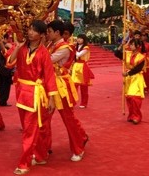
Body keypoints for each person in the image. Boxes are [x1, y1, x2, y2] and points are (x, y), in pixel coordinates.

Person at [8, 20, 58, 175]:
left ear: (42, 35)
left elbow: (49, 76)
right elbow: (9, 63)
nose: (30, 32)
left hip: (37, 95)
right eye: (29, 29)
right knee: (32, 127)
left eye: (34, 30)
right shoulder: (22, 48)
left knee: (29, 130)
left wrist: (51, 98)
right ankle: (41, 155)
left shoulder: (44, 53)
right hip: (22, 93)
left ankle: (24, 163)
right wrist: (17, 46)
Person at [46, 20, 88, 162]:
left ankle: (78, 147)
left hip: (62, 85)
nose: (47, 34)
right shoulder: (51, 44)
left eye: (49, 31)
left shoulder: (65, 47)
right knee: (45, 118)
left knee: (68, 119)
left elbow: (46, 60)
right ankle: (44, 147)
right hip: (50, 84)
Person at [114, 39, 146, 124]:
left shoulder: (141, 57)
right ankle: (131, 115)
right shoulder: (127, 54)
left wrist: (128, 73)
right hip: (128, 78)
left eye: (132, 44)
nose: (130, 46)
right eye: (130, 44)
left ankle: (137, 116)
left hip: (136, 77)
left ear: (138, 46)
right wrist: (122, 44)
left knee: (134, 97)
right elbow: (116, 53)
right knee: (128, 98)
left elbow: (137, 69)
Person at [71, 34, 94, 108]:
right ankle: (73, 101)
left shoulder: (86, 47)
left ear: (84, 39)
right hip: (76, 66)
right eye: (78, 38)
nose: (78, 40)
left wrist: (73, 48)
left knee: (83, 87)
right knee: (73, 86)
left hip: (82, 67)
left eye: (80, 38)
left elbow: (79, 54)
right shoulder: (76, 46)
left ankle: (84, 103)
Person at [0, 33, 15, 106]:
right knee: (6, 85)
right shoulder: (6, 46)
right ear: (5, 38)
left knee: (0, 84)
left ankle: (0, 99)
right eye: (9, 38)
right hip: (6, 68)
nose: (10, 40)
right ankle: (3, 101)